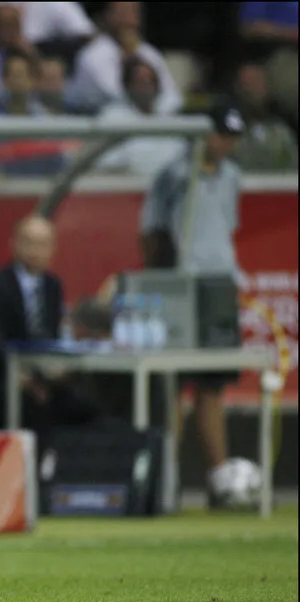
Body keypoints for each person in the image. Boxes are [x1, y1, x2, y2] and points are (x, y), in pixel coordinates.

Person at [140, 102, 247, 508]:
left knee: (212, 386)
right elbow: (152, 232)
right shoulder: (174, 174)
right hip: (183, 286)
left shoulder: (233, 175)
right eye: (222, 135)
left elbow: (227, 230)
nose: (226, 144)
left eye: (232, 137)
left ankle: (220, 482)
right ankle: (166, 481)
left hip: (220, 285)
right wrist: (162, 280)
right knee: (172, 386)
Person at [0, 215, 64, 430]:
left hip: (42, 373)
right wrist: (24, 376)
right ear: (14, 244)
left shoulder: (53, 287)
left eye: (42, 244)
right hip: (5, 374)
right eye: (29, 242)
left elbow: (53, 336)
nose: (35, 250)